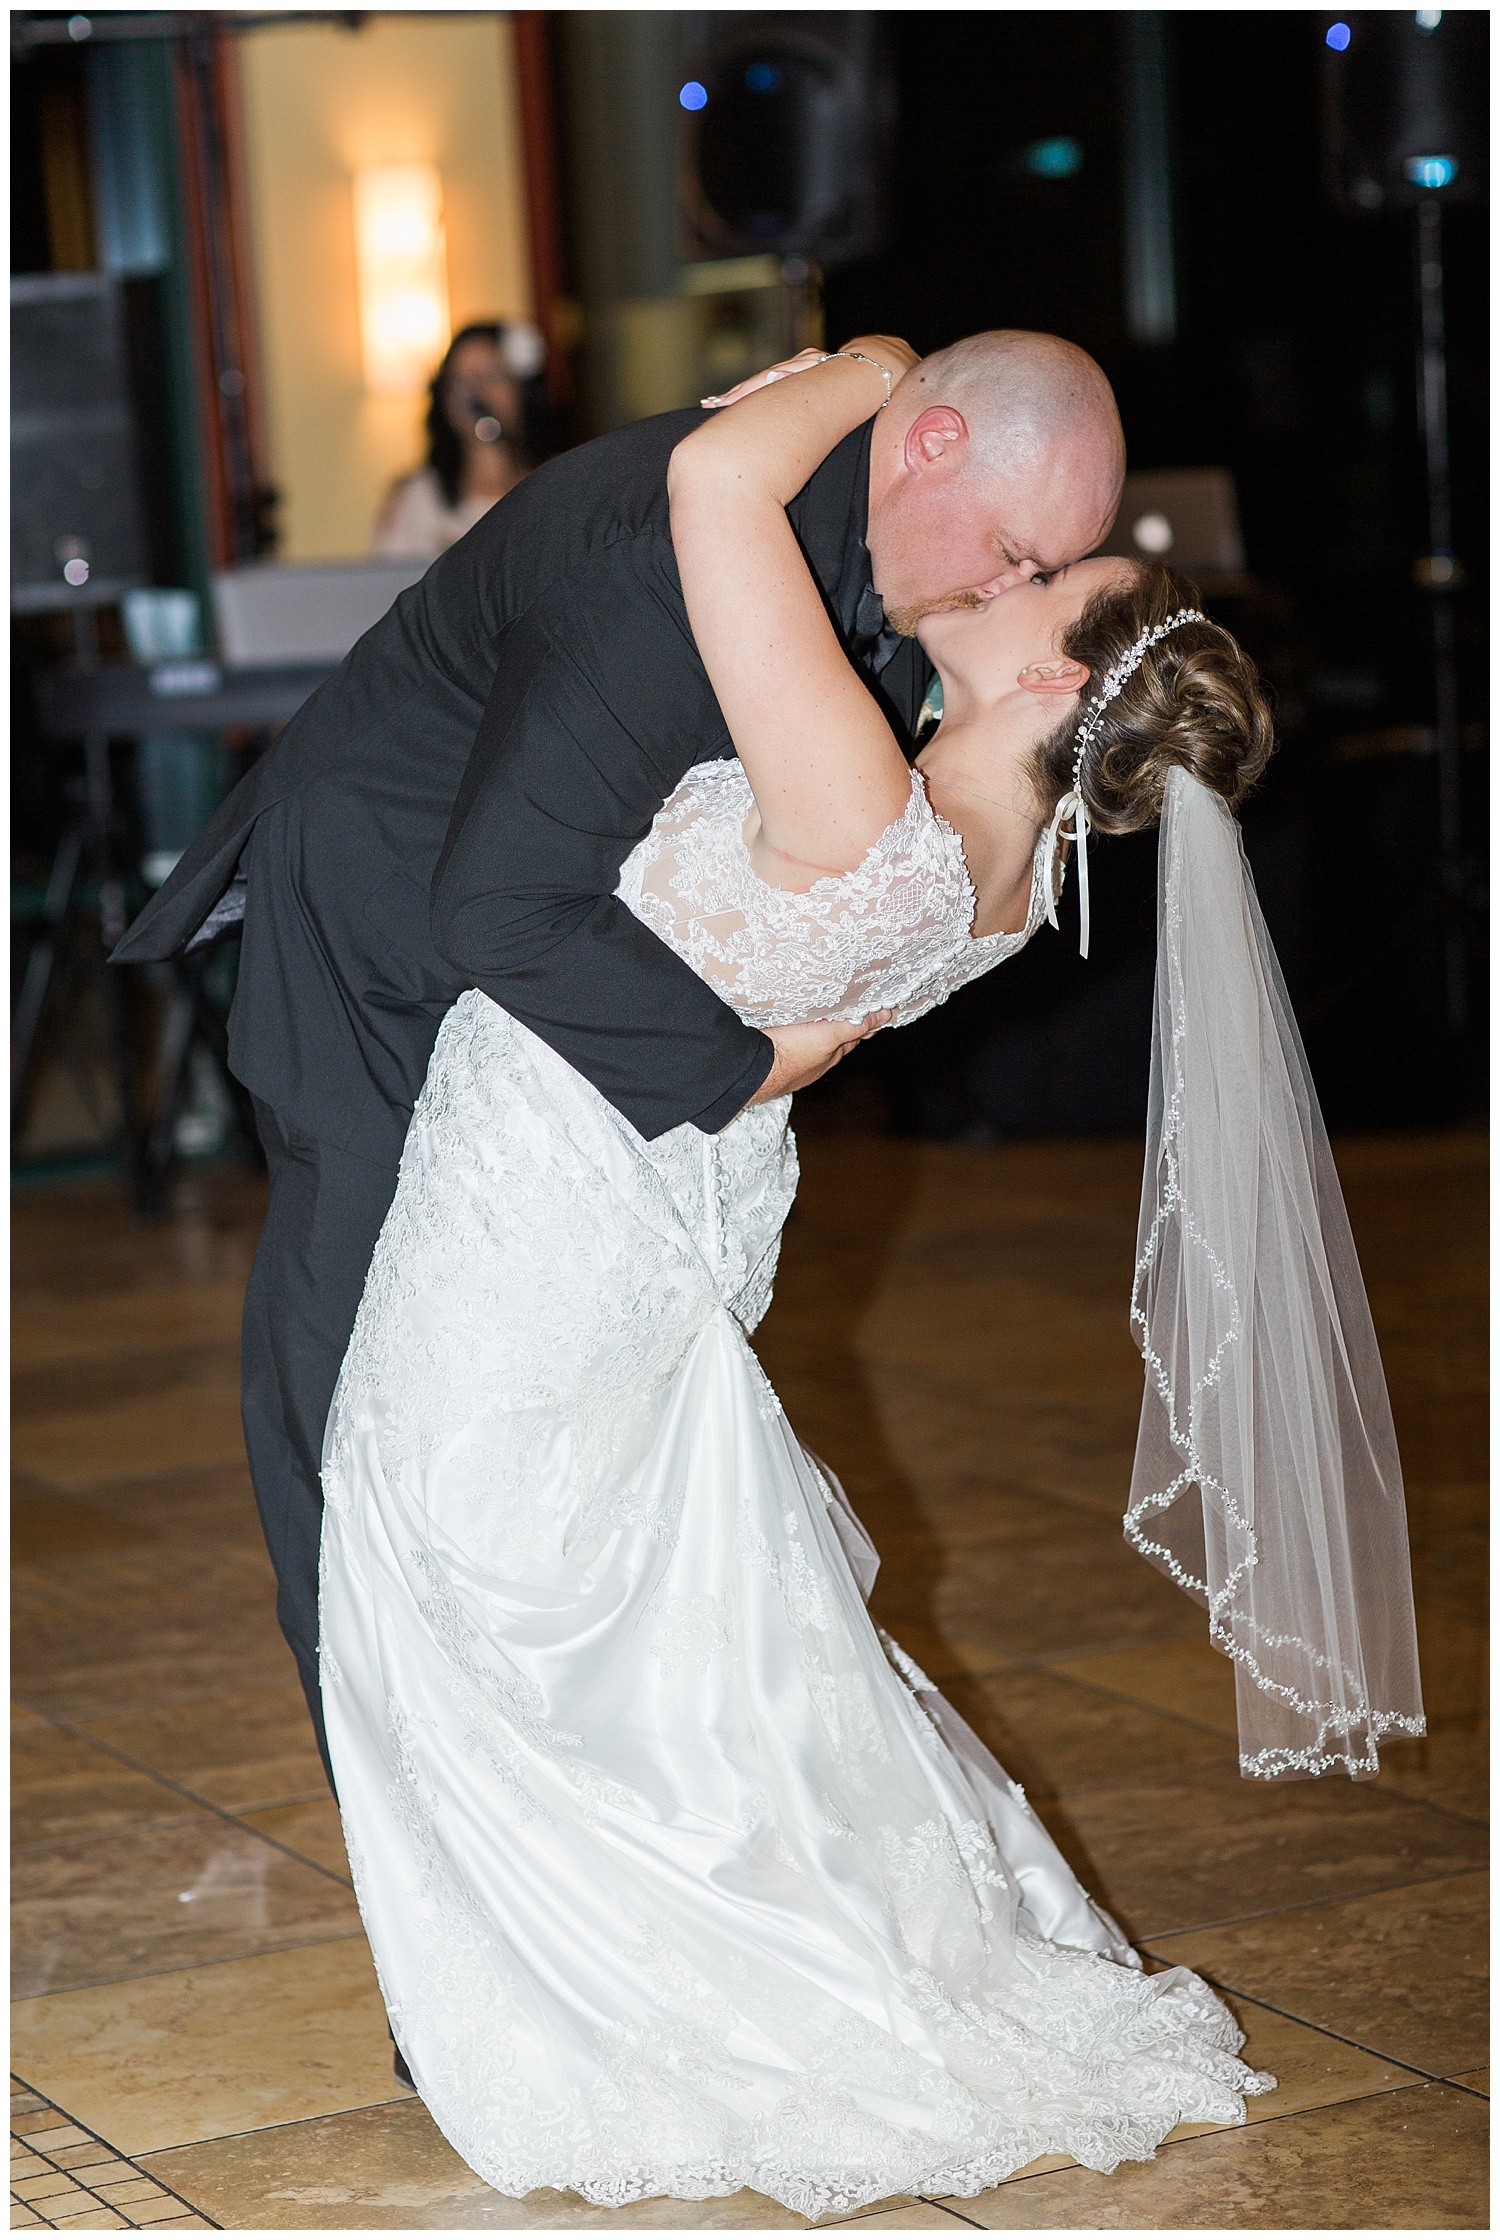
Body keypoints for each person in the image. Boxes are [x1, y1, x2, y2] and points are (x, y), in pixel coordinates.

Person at [313, 351, 1422, 2207]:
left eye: (1041, 584)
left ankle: (615, 1994)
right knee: (591, 1587)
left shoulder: (857, 796)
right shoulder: (1017, 867)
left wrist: (858, 371)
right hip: (647, 1209)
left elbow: (713, 501)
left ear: (1066, 677)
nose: (997, 584)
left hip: (558, 1205)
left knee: (445, 1541)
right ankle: (635, 1946)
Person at [111, 329, 1127, 1785]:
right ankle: (438, 1898)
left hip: (571, 1044)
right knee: (361, 1441)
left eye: (1044, 577)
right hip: (394, 951)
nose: (1010, 598)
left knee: (569, 1485)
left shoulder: (886, 545)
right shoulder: (675, 539)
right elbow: (501, 908)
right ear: (935, 446)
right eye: (1023, 555)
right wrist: (737, 1070)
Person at [372, 320, 548, 560]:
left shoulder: (556, 482)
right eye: (461, 381)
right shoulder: (420, 497)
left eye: (491, 376)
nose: (475, 393)